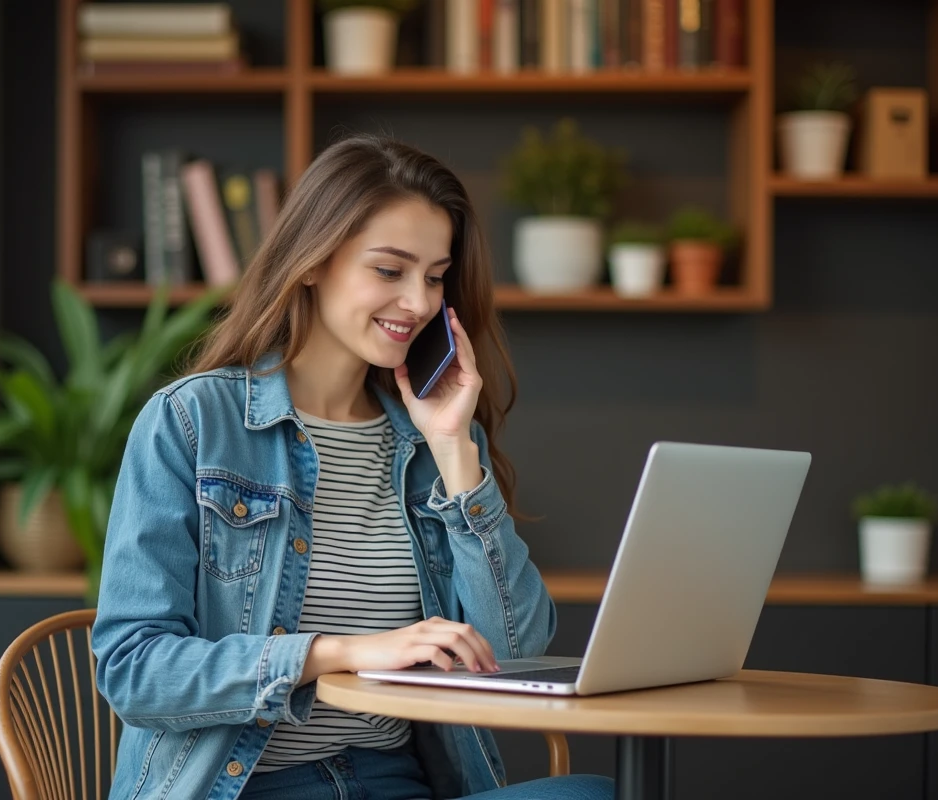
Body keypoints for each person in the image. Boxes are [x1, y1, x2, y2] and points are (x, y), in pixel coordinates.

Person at [92, 135, 614, 800]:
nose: (420, 303)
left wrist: (455, 450)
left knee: (591, 794)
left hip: (396, 782)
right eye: (390, 271)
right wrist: (338, 652)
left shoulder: (429, 444)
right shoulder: (193, 423)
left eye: (433, 276)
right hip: (246, 787)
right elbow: (134, 671)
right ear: (313, 262)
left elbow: (514, 650)